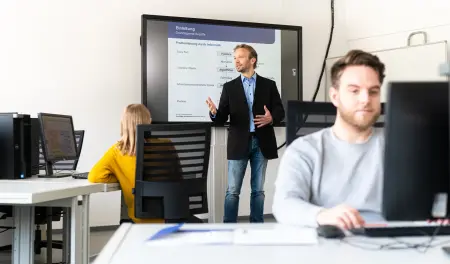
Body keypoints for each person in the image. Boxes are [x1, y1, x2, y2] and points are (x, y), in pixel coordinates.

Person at [272, 49, 386, 229]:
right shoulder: (304, 149)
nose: (365, 99)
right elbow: (284, 204)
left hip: (391, 245)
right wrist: (322, 215)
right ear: (335, 96)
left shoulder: (400, 148)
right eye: (354, 91)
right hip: (329, 243)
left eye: (373, 92)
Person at [206, 44, 285, 223]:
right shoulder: (229, 87)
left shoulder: (269, 85)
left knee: (258, 190)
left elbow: (280, 112)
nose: (236, 61)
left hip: (261, 142)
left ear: (252, 60)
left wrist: (271, 118)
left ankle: (256, 227)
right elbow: (220, 119)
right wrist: (213, 112)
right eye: (235, 58)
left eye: (240, 57)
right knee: (233, 191)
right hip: (238, 143)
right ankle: (229, 228)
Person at [88, 104, 201, 224]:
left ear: (124, 125)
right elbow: (178, 178)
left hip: (143, 219)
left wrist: (122, 177)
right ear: (149, 122)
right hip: (174, 215)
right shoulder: (166, 144)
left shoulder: (117, 151)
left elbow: (94, 176)